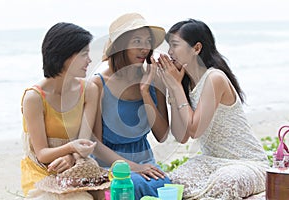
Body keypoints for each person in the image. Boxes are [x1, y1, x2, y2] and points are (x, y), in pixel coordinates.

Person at [157, 19, 269, 199]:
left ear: (196, 48)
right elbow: (182, 136)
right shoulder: (184, 82)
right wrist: (173, 88)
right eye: (169, 46)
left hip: (247, 163)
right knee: (175, 181)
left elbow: (194, 129)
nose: (169, 52)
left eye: (175, 45)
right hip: (211, 161)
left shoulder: (214, 78)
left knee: (225, 183)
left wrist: (176, 86)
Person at [91, 13, 171, 199]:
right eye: (137, 41)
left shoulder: (154, 78)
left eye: (147, 41)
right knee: (130, 187)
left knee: (165, 185)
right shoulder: (98, 84)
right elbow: (96, 145)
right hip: (111, 165)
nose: (144, 48)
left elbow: (161, 134)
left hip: (146, 161)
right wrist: (135, 168)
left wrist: (145, 92)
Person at [20, 22, 103, 199]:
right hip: (42, 170)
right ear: (64, 55)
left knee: (110, 193)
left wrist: (71, 157)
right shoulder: (34, 98)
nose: (89, 60)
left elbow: (84, 141)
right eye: (84, 54)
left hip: (78, 164)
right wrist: (72, 147)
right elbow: (42, 154)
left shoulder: (89, 90)